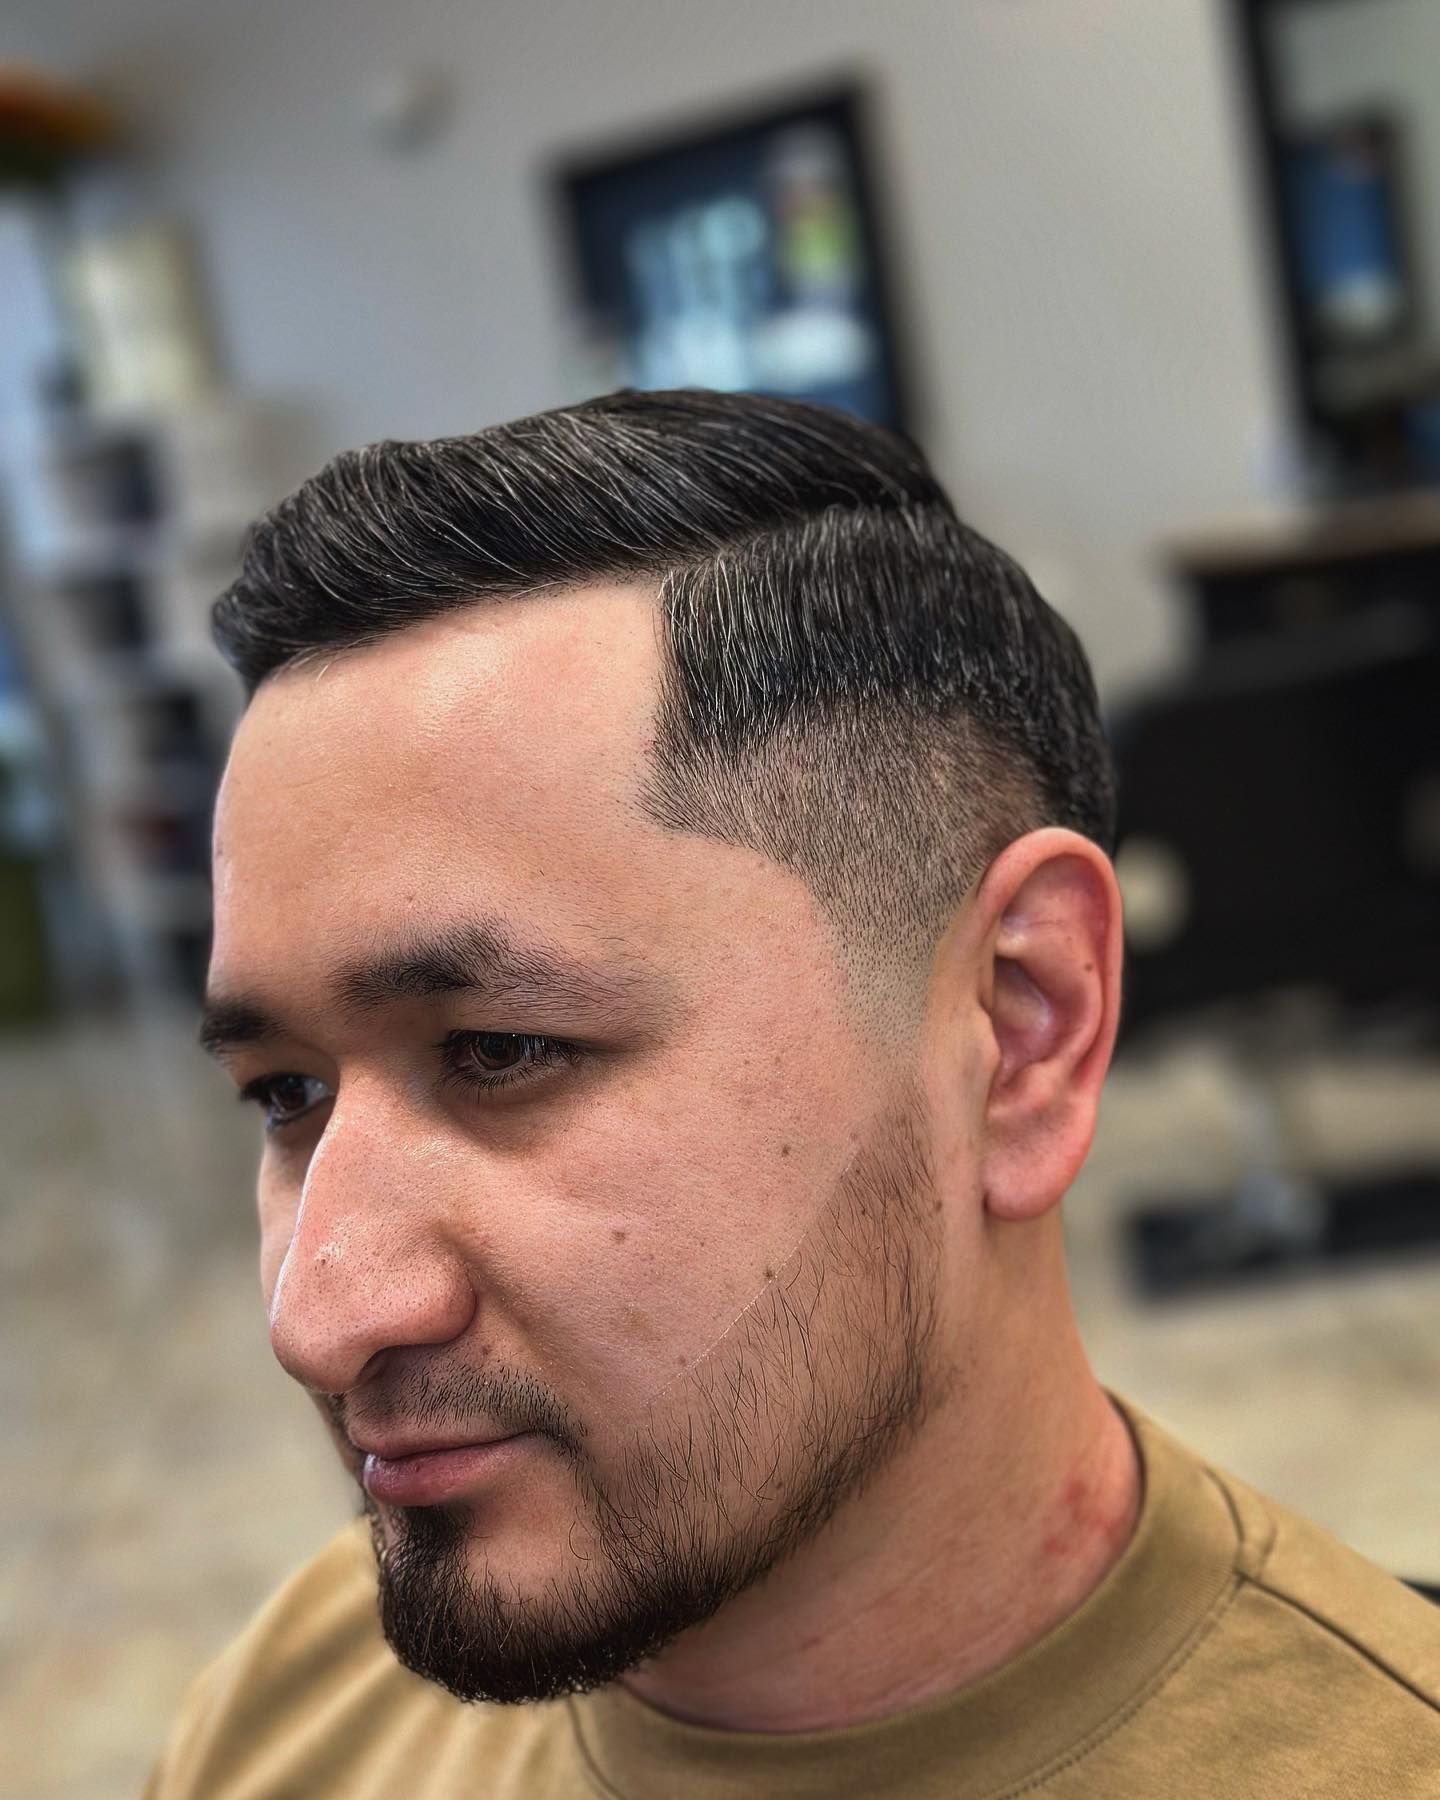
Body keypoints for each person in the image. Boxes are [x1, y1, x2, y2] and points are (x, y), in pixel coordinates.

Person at [152, 389, 1439, 1798]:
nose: (319, 1316)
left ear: (1022, 1031)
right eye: (284, 1093)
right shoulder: (291, 1712)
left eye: (500, 1051)